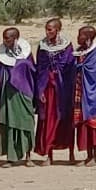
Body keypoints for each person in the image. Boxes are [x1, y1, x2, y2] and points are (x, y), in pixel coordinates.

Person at [0, 25, 40, 164]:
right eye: (4, 38)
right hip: (7, 95)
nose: (5, 40)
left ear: (16, 38)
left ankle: (28, 156)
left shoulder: (26, 54)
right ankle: (11, 157)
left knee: (26, 122)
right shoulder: (2, 56)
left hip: (23, 93)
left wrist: (20, 69)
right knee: (9, 124)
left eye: (8, 38)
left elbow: (32, 72)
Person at [33, 18, 76, 161]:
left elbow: (70, 65)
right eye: (46, 29)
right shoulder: (43, 45)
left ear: (57, 29)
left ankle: (71, 153)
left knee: (65, 118)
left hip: (63, 87)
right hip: (48, 87)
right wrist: (40, 89)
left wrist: (60, 76)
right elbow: (40, 68)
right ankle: (49, 154)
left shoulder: (67, 45)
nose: (47, 32)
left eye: (50, 29)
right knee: (48, 119)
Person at [72, 25, 96, 162]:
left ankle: (95, 156)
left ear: (87, 38)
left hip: (94, 93)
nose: (77, 38)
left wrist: (81, 67)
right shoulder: (79, 52)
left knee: (94, 123)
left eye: (80, 35)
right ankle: (88, 155)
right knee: (83, 123)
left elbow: (94, 71)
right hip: (80, 92)